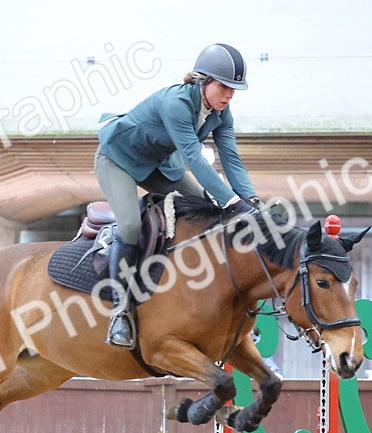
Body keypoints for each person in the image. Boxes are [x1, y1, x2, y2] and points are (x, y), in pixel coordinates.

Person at [95, 43, 261, 348]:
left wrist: (251, 200)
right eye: (224, 86)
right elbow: (194, 159)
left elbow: (231, 158)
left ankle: (223, 303)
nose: (229, 94)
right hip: (117, 159)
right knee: (130, 226)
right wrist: (232, 202)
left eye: (234, 89)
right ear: (203, 81)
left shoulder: (221, 114)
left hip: (158, 164)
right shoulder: (176, 103)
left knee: (207, 209)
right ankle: (119, 312)